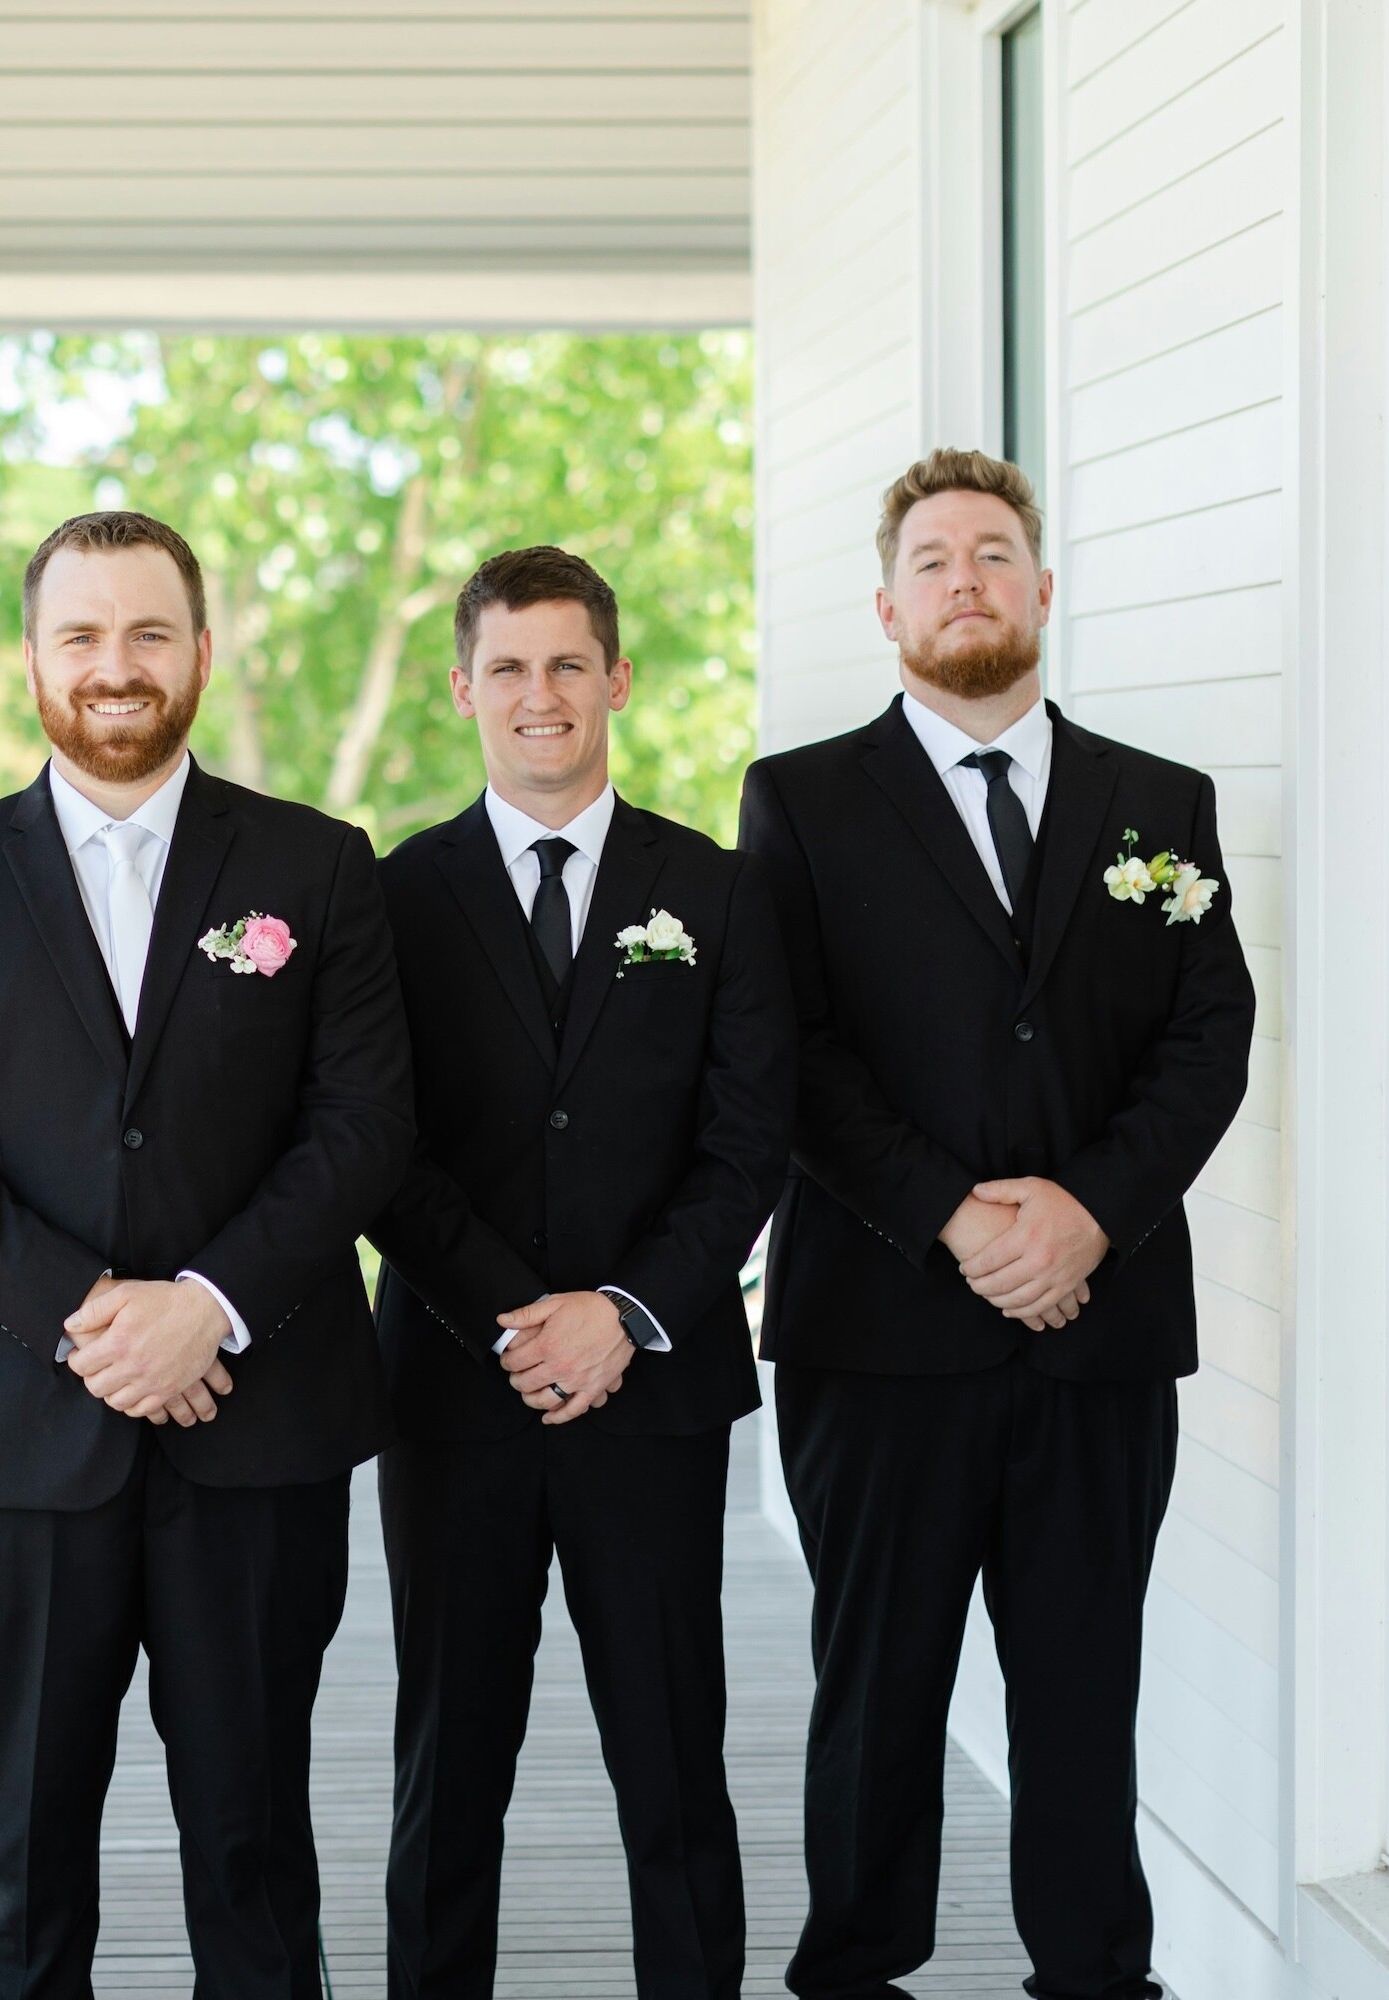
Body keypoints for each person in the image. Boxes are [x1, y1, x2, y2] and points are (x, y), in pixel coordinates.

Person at [0, 510, 414, 2000]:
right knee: (22, 1853)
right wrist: (97, 1317)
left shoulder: (319, 864)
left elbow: (363, 1130)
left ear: (202, 652)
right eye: (82, 636)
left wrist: (209, 1309)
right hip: (17, 1437)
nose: (117, 667)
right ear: (32, 659)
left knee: (251, 1841)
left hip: (258, 1428)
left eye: (149, 633)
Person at [736, 449, 1256, 2000]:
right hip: (880, 1337)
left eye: (994, 552)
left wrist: (1090, 1212)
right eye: (934, 559)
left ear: (1041, 586)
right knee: (878, 1695)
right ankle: (858, 1973)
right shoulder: (803, 801)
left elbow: (1206, 1038)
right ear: (888, 605)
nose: (966, 578)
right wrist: (959, 1220)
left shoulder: (1160, 805)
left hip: (1099, 1340)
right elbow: (791, 1055)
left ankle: (1096, 1976)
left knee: (1084, 1694)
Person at [367, 546, 794, 2000]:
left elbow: (750, 1146)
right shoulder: (393, 895)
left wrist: (622, 1315)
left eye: (566, 665)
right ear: (462, 690)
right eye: (507, 668)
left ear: (615, 679)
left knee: (673, 1759)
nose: (538, 695)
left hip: (652, 1393)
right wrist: (517, 1321)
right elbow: (378, 1144)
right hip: (455, 1391)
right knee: (448, 1768)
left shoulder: (721, 894)